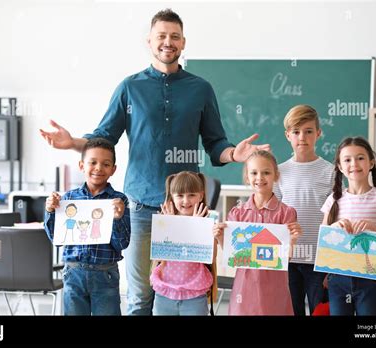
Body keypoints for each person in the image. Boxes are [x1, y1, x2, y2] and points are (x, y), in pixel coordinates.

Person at [39, 9, 269, 315]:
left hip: (186, 213)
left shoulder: (201, 89)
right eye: (161, 35)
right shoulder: (130, 87)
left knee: (186, 293)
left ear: (183, 42)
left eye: (174, 36)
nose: (168, 42)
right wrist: (72, 144)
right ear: (149, 41)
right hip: (140, 208)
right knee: (140, 298)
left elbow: (216, 144)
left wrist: (233, 154)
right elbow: (104, 138)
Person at [44, 138, 131, 315]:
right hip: (73, 272)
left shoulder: (119, 201)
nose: (98, 168)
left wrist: (118, 218)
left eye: (106, 164)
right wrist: (50, 211)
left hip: (105, 274)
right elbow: (56, 239)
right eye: (93, 162)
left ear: (113, 169)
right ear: (81, 165)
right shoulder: (68, 198)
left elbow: (122, 244)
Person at [213, 150, 302, 315]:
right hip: (245, 285)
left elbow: (286, 257)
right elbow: (234, 255)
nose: (259, 178)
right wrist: (220, 237)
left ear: (276, 175)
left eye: (266, 172)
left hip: (274, 285)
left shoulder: (286, 213)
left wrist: (293, 240)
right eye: (254, 173)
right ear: (247, 177)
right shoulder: (237, 213)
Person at [321, 136, 376, 315]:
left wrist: (373, 228)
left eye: (360, 158)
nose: (354, 163)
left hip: (369, 278)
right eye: (347, 160)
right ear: (340, 167)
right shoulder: (333, 199)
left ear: (371, 162)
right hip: (337, 278)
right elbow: (323, 240)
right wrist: (336, 226)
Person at [273, 105, 334, 316]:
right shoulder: (278, 172)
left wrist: (331, 262)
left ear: (318, 133)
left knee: (320, 310)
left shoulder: (331, 172)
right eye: (296, 132)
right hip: (288, 259)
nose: (302, 137)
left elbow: (335, 219)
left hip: (318, 260)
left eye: (308, 131)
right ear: (287, 135)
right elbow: (274, 215)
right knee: (292, 310)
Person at [150, 171, 217, 315]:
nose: (186, 201)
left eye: (191, 195)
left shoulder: (207, 223)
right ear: (172, 197)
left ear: (200, 195)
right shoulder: (163, 221)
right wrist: (169, 226)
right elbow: (159, 257)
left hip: (194, 294)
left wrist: (201, 228)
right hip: (165, 292)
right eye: (180, 195)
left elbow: (211, 258)